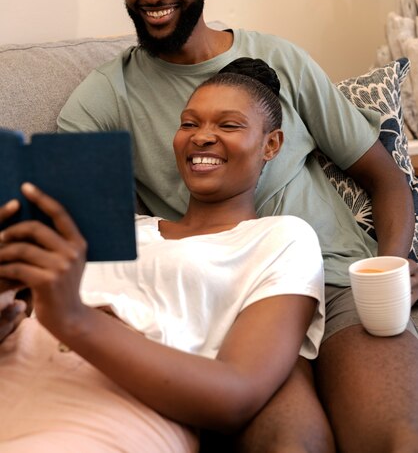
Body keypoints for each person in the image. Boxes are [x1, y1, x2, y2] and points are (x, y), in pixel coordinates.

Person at [53, 0, 418, 452]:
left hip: (340, 280)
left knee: (398, 436)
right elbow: (70, 219)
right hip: (235, 299)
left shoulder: (281, 60)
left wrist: (390, 264)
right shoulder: (104, 99)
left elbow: (384, 175)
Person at [0, 60, 324, 453]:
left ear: (270, 144)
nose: (202, 137)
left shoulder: (281, 238)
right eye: (189, 124)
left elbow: (237, 396)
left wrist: (73, 317)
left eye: (228, 125)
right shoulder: (114, 226)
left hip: (111, 408)